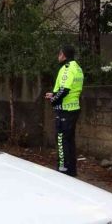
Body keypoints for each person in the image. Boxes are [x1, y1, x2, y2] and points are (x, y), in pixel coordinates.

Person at [44, 45, 84, 177]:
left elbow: (65, 89)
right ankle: (71, 171)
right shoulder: (77, 67)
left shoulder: (66, 68)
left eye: (59, 54)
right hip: (73, 109)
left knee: (61, 141)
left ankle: (62, 170)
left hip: (65, 111)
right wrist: (54, 94)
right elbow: (69, 89)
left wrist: (54, 100)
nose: (58, 56)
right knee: (69, 141)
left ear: (64, 55)